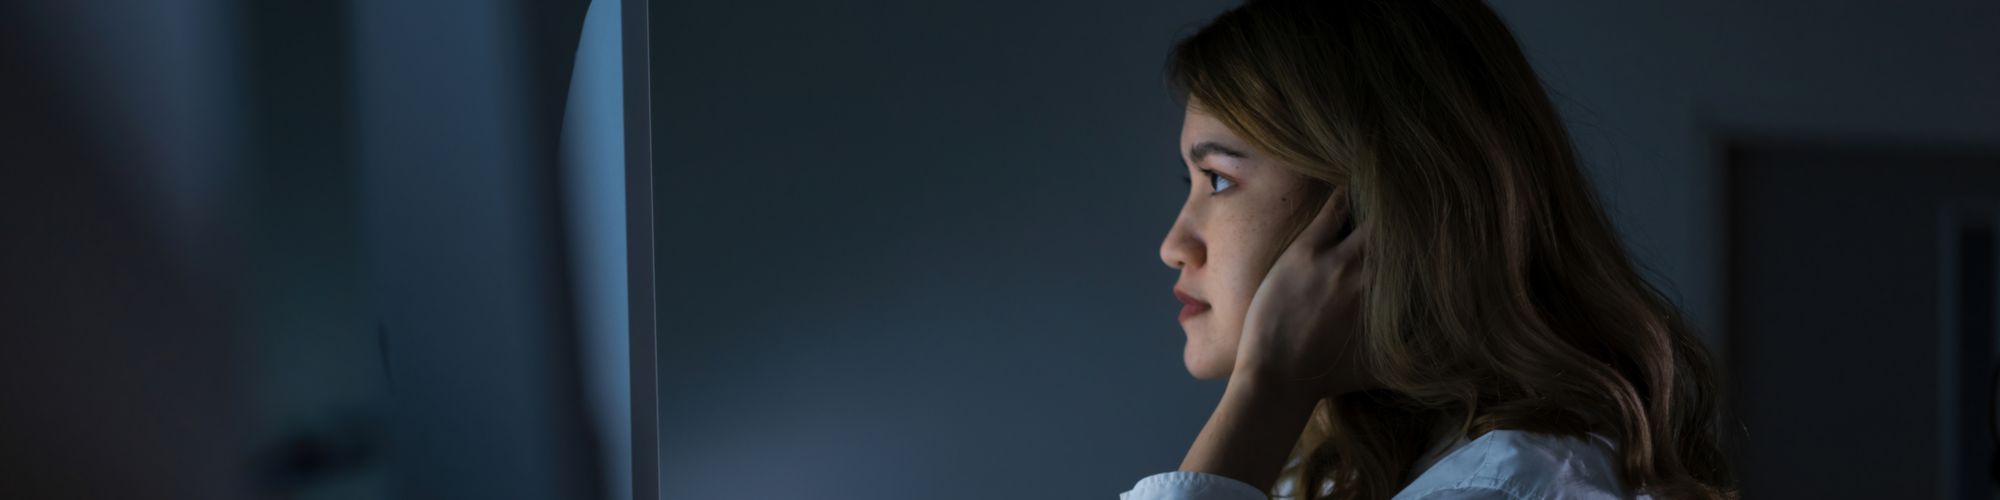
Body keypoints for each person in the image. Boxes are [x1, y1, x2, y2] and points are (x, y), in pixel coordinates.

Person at [1122, 1, 1734, 498]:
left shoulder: (1508, 487)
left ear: (1373, 208)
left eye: (1219, 180)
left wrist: (1269, 384)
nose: (1174, 246)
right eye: (1191, 181)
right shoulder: (1340, 471)